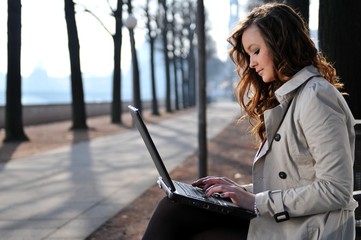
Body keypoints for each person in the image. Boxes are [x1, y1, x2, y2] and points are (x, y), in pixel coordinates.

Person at [142, 3, 358, 239]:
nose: (252, 63)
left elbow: (336, 189)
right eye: (248, 54)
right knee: (174, 208)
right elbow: (294, 182)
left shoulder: (316, 96)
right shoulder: (292, 97)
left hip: (310, 230)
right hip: (289, 222)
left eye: (256, 51)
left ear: (281, 44)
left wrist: (255, 201)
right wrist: (236, 191)